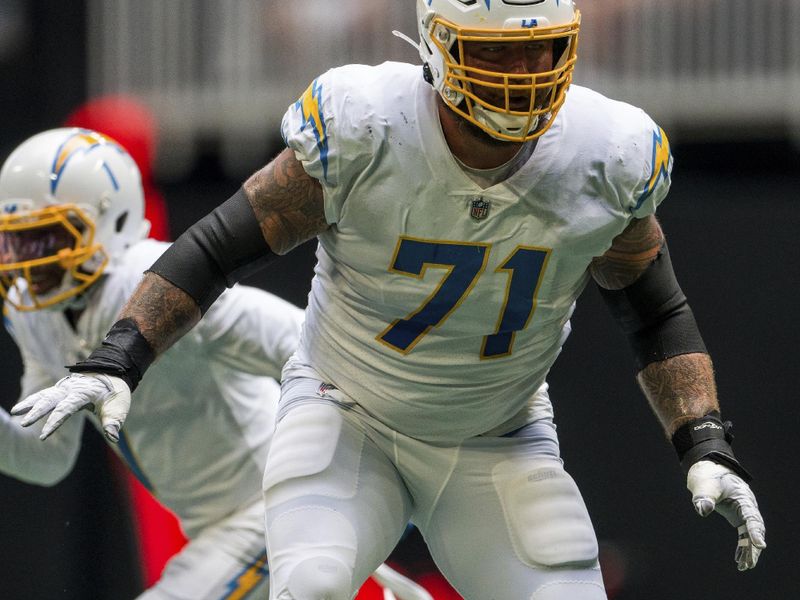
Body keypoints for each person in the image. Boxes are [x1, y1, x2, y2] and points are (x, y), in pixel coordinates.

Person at [12, 1, 766, 599]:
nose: (524, 72)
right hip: (347, 414)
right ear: (436, 46)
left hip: (495, 433)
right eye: (496, 50)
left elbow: (654, 309)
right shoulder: (368, 127)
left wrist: (704, 441)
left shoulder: (607, 154)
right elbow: (217, 247)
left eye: (541, 48)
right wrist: (120, 356)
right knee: (307, 584)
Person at [0, 128, 431, 600]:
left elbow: (312, 344)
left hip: (277, 500)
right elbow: (46, 457)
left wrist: (373, 468)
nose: (25, 264)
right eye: (16, 243)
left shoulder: (149, 284)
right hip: (217, 525)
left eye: (44, 241)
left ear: (109, 219)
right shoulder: (35, 314)